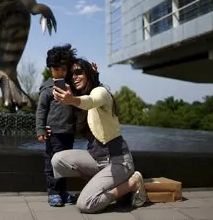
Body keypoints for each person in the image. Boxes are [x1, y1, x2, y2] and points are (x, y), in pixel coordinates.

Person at [50, 58, 148, 214]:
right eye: (71, 75)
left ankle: (132, 183)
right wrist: (49, 128)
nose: (74, 77)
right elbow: (79, 107)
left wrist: (72, 100)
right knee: (58, 160)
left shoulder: (100, 92)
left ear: (88, 73)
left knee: (86, 204)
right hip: (96, 159)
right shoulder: (79, 105)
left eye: (79, 72)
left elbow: (91, 100)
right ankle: (103, 184)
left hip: (118, 161)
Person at [35, 44, 79, 207]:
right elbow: (41, 111)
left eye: (63, 69)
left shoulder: (70, 87)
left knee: (64, 164)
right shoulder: (47, 89)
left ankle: (63, 192)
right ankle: (54, 193)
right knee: (51, 163)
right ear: (50, 68)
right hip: (53, 133)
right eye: (57, 69)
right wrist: (40, 130)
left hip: (68, 132)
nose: (61, 72)